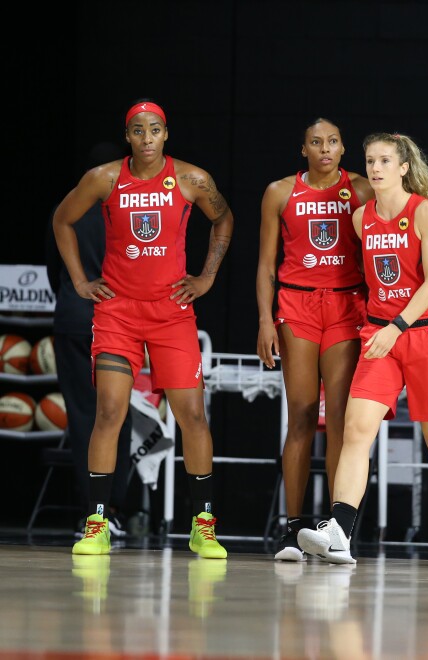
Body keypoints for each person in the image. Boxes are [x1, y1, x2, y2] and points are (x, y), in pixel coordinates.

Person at [53, 99, 234, 558]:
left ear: (166, 134)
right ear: (128, 135)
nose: (147, 137)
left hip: (172, 312)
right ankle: (97, 523)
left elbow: (224, 219)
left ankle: (204, 525)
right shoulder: (105, 177)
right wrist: (79, 280)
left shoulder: (192, 179)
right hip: (118, 312)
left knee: (192, 415)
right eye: (138, 130)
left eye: (155, 130)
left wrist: (207, 276)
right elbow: (62, 220)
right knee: (110, 412)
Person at [297, 132, 428, 568]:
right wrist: (382, 327)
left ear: (404, 168)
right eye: (370, 160)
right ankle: (339, 531)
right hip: (380, 337)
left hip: (425, 335)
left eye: (384, 161)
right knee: (356, 430)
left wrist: (397, 326)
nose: (375, 168)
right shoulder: (361, 219)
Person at [256, 118, 374, 562]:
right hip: (298, 306)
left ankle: (337, 528)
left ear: (343, 148)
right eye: (316, 142)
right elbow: (266, 264)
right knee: (302, 414)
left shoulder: (361, 190)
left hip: (346, 306)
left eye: (333, 141)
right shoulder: (280, 192)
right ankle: (293, 528)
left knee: (340, 419)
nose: (325, 148)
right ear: (302, 148)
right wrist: (265, 321)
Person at [45, 141, 134, 538]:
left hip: (77, 317)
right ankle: (111, 509)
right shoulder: (131, 208)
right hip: (121, 319)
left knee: (85, 416)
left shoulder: (67, 207)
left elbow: (53, 268)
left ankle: (92, 513)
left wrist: (75, 292)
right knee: (119, 414)